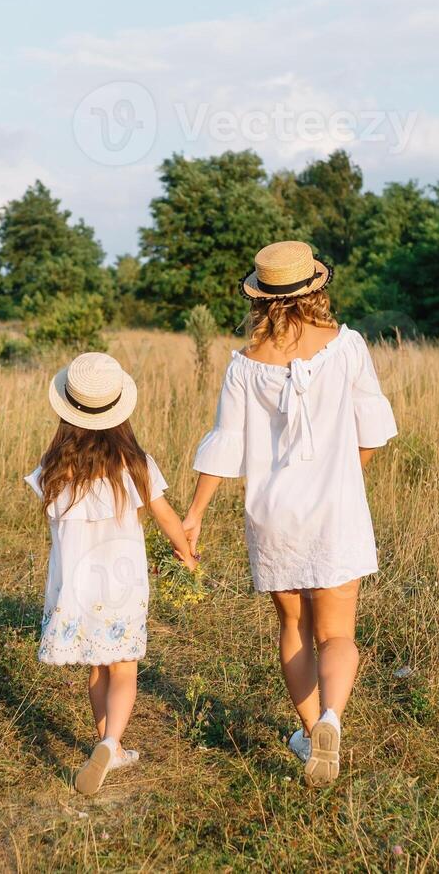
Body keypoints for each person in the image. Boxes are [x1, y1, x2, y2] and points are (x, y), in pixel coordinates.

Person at [182, 241, 397, 787]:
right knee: (339, 632)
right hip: (335, 509)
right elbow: (371, 434)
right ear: (316, 289)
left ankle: (307, 737)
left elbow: (226, 445)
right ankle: (331, 721)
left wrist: (194, 514)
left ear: (261, 299)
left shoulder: (244, 367)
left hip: (274, 516)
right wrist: (340, 479)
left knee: (294, 626)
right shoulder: (347, 347)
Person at [26, 351, 197, 795]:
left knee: (97, 668)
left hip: (75, 588)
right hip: (122, 586)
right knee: (123, 669)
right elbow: (165, 517)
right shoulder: (135, 465)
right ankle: (110, 742)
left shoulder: (54, 470)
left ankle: (110, 746)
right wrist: (186, 552)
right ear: (119, 410)